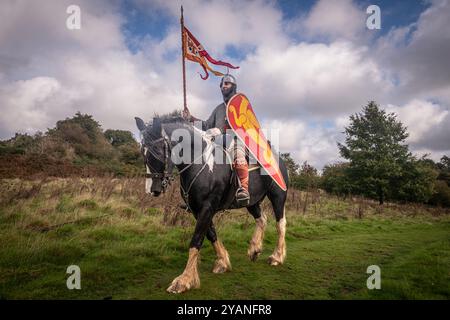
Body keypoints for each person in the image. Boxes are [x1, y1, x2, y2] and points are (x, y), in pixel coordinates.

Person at [183, 74, 250, 204]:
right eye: (221, 85)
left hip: (236, 139)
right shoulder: (218, 108)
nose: (223, 86)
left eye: (226, 84)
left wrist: (223, 130)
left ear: (233, 86)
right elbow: (207, 125)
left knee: (239, 156)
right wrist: (191, 118)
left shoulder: (240, 104)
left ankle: (244, 189)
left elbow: (243, 124)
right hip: (217, 141)